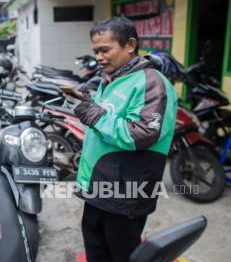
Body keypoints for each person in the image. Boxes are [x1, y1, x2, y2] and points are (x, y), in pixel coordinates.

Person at [73, 17, 178, 262]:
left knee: (122, 253)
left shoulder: (151, 83)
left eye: (104, 50)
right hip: (99, 185)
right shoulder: (109, 80)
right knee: (95, 243)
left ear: (130, 45)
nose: (98, 57)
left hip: (127, 190)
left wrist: (94, 115)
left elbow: (140, 134)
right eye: (95, 51)